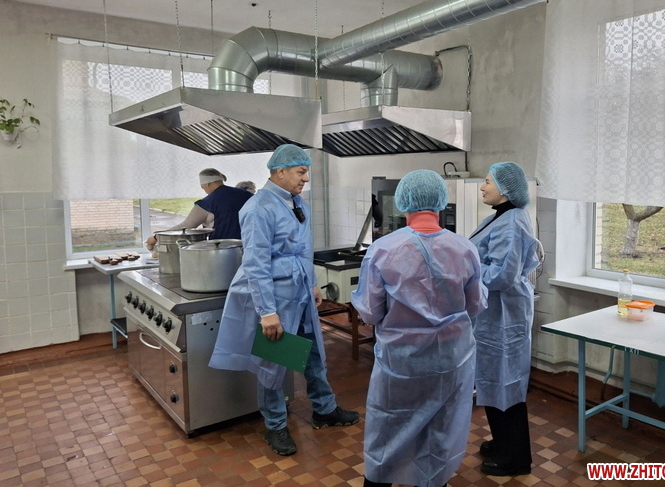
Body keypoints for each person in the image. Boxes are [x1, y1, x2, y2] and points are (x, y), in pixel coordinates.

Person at [209, 144, 359, 456]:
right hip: (276, 298)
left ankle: (325, 410)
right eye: (301, 172)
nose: (306, 178)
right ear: (280, 172)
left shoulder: (296, 202)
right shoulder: (258, 208)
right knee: (274, 363)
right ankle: (275, 425)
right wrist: (267, 312)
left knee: (314, 352)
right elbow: (256, 263)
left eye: (307, 172)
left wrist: (312, 282)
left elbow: (304, 247)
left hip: (300, 291)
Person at [352, 169, 488, 487]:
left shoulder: (384, 249)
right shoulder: (465, 248)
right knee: (441, 430)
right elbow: (475, 305)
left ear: (404, 203)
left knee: (388, 429)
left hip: (401, 362)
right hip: (451, 360)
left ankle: (380, 478)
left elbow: (370, 312)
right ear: (441, 202)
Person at [469, 161, 539, 477]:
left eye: (487, 181)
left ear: (505, 189)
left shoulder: (511, 223)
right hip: (493, 315)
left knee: (507, 384)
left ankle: (517, 459)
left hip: (504, 316)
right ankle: (502, 443)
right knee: (493, 380)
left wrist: (467, 268)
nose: (482, 187)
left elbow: (501, 276)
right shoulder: (499, 216)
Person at [145, 168, 252, 248]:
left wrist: (156, 237)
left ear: (208, 184)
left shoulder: (207, 203)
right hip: (251, 247)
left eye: (203, 187)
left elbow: (186, 226)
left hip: (223, 252)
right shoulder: (247, 196)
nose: (203, 190)